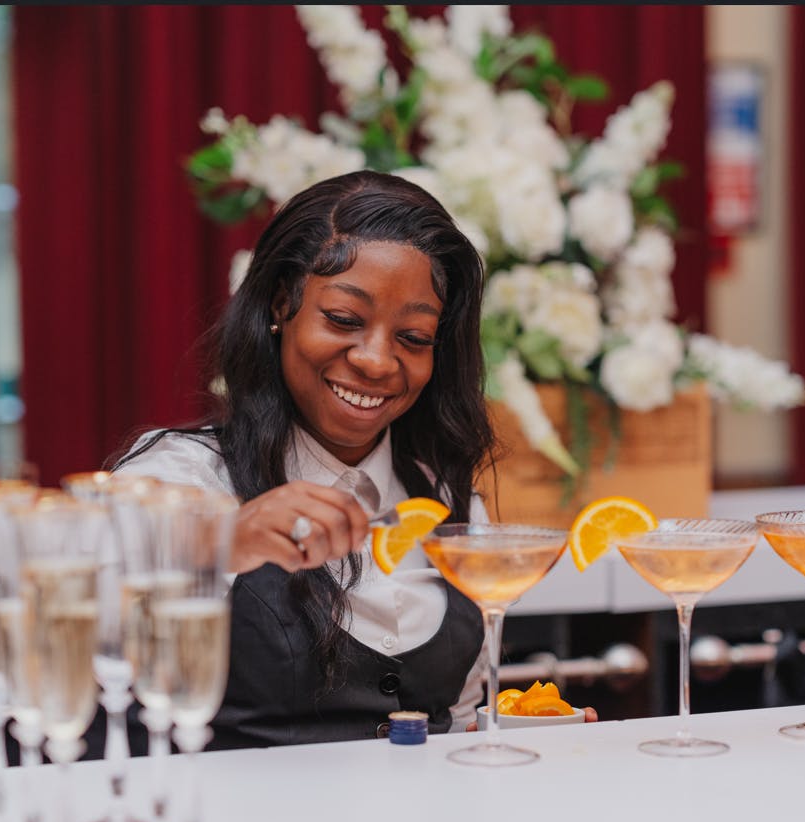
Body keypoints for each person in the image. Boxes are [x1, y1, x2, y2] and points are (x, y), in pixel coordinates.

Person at [111, 169, 593, 749]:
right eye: (343, 320)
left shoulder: (449, 505)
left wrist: (535, 734)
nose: (375, 360)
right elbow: (83, 615)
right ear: (281, 305)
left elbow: (459, 719)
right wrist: (225, 543)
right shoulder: (183, 477)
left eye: (413, 338)